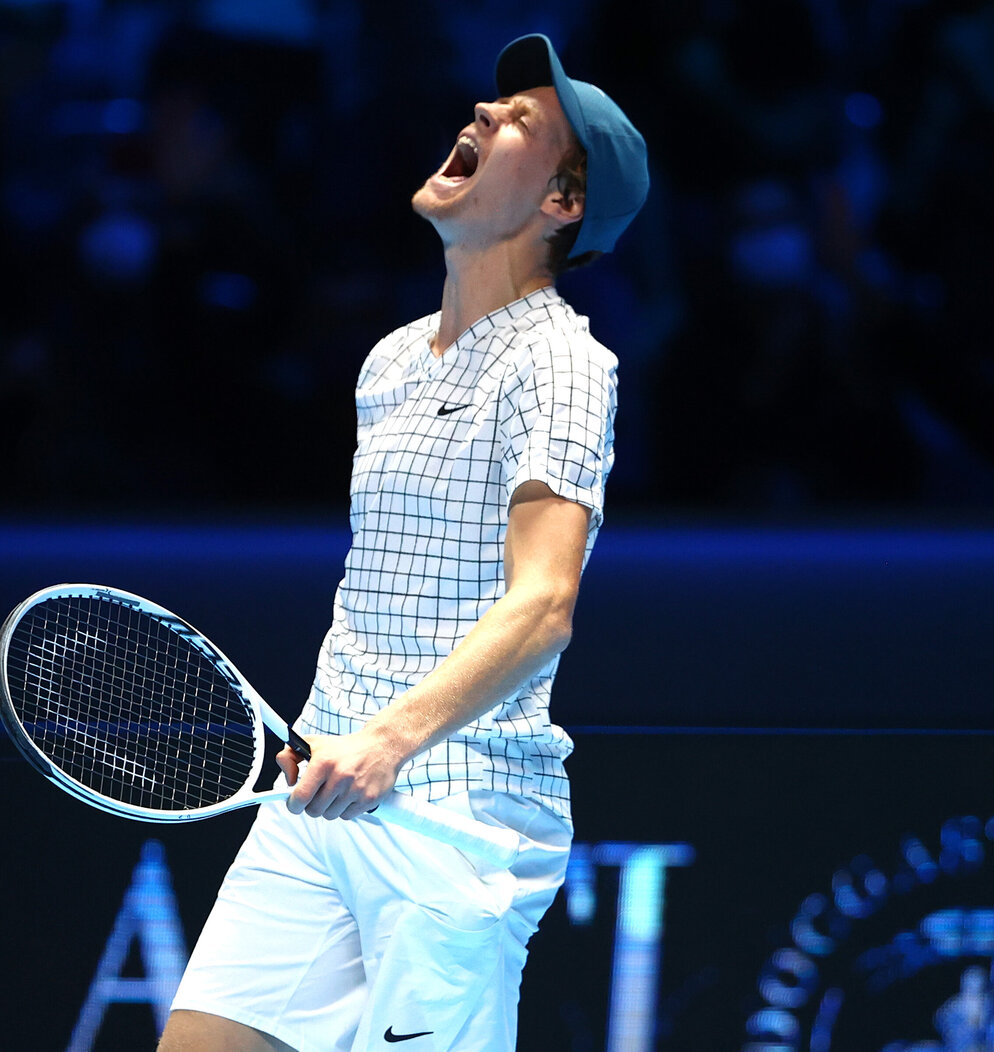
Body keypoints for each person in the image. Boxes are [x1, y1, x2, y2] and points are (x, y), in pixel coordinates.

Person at [158, 32, 648, 1052]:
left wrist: (391, 737)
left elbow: (543, 603)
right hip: (322, 786)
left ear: (563, 202)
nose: (482, 114)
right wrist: (349, 734)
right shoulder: (388, 361)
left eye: (522, 123)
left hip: (457, 824)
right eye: (491, 105)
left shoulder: (562, 361)